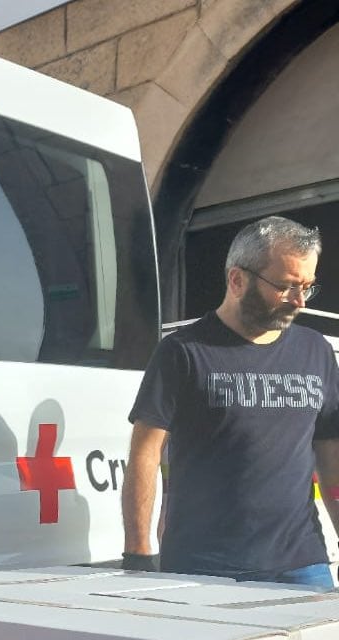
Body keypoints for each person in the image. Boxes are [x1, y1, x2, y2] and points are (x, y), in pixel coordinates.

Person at [122, 215, 339, 587]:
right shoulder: (182, 352)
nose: (299, 301)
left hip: (302, 563)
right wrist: (138, 554)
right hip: (204, 567)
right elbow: (145, 453)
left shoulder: (316, 351)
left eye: (307, 287)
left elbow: (331, 457)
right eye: (287, 286)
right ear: (237, 280)